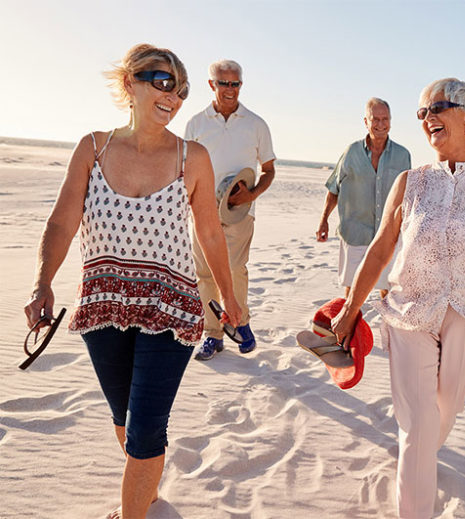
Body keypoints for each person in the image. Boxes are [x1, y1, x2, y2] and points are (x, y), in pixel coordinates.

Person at [23, 44, 242, 519]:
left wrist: (228, 297)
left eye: (180, 89)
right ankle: (146, 491)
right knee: (124, 421)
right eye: (162, 82)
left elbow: (208, 231)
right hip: (103, 306)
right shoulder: (94, 148)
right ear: (130, 82)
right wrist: (43, 283)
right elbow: (62, 222)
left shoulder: (193, 157)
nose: (173, 95)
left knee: (144, 426)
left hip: (170, 307)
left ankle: (134, 511)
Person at [331, 78, 465, 518]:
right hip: (409, 311)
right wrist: (352, 308)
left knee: (448, 405)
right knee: (420, 425)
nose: (427, 119)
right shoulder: (410, 182)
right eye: (422, 113)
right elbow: (381, 247)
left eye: (437, 108)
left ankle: (417, 450)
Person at [185, 59, 276, 360]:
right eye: (223, 83)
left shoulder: (256, 124)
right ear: (211, 84)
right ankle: (213, 335)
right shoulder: (196, 123)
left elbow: (269, 170)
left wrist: (251, 195)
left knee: (235, 269)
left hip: (239, 212)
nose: (230, 89)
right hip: (201, 210)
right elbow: (184, 170)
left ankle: (241, 322)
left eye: (235, 83)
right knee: (205, 273)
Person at [316, 98, 411, 298]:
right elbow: (334, 188)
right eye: (375, 119)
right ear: (365, 122)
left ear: (391, 121)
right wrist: (324, 220)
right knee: (352, 293)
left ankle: (388, 329)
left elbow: (409, 197)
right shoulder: (351, 153)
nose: (380, 124)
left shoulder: (403, 156)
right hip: (355, 234)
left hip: (388, 236)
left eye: (385, 119)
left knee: (389, 292)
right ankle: (347, 329)